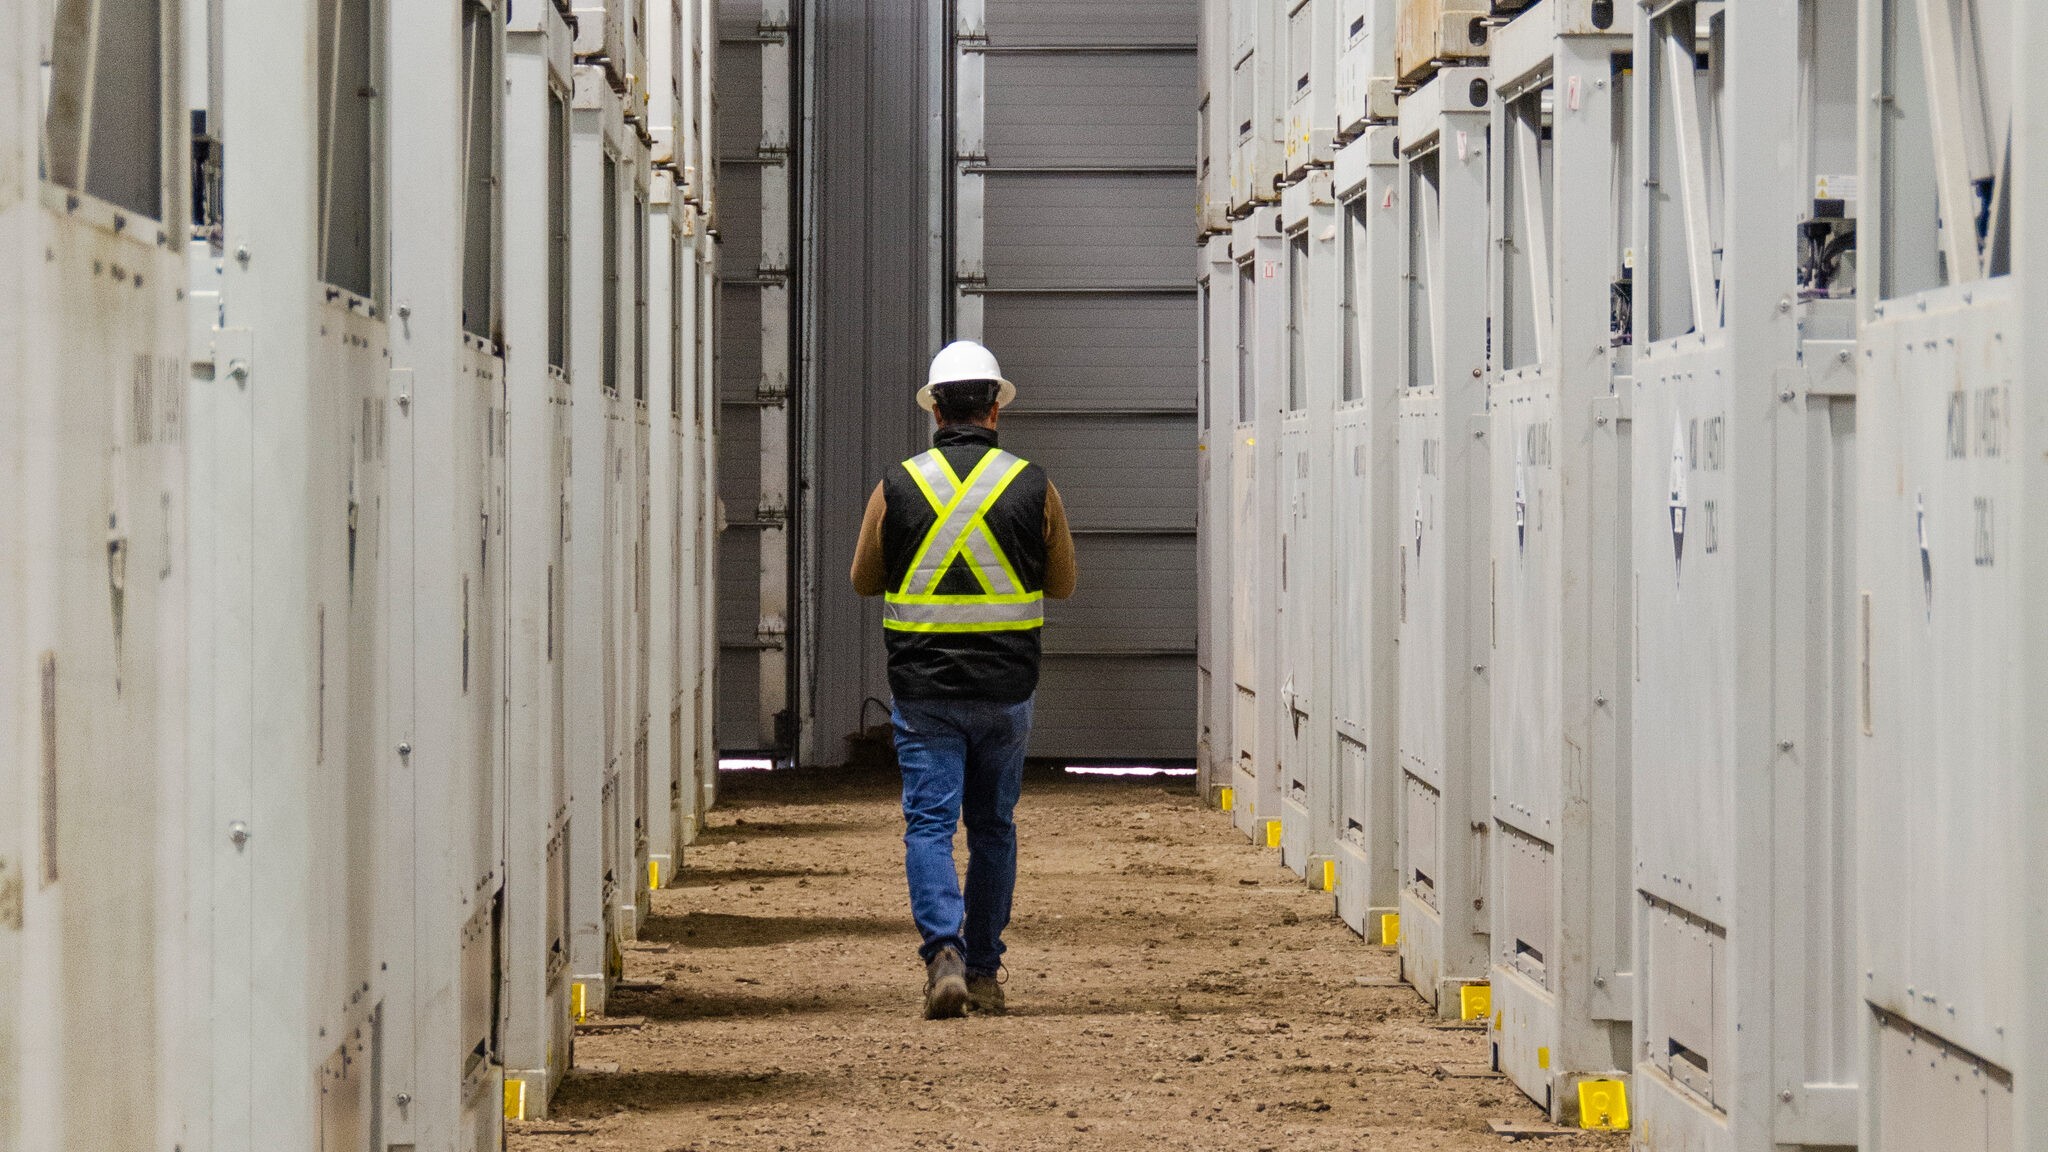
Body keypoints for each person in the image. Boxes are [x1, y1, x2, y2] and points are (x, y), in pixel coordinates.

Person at [849, 340, 1078, 1019]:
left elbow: (865, 579)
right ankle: (983, 970)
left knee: (928, 825)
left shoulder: (896, 485)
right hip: (1006, 689)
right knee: (993, 828)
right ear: (995, 412)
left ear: (936, 410)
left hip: (924, 693)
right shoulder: (1035, 485)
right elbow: (1062, 584)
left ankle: (942, 954)